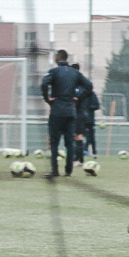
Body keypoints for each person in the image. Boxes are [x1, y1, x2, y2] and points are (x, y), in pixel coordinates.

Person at [39, 50, 91, 178]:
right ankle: (68, 170)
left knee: (54, 142)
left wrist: (47, 99)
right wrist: (78, 97)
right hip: (70, 111)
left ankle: (55, 170)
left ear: (58, 57)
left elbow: (44, 84)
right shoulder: (75, 73)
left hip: (57, 111)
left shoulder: (54, 71)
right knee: (70, 142)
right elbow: (89, 86)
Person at [71, 62, 99, 165]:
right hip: (82, 114)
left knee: (77, 136)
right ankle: (80, 159)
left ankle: (77, 159)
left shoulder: (77, 86)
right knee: (78, 137)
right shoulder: (84, 85)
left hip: (79, 114)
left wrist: (77, 99)